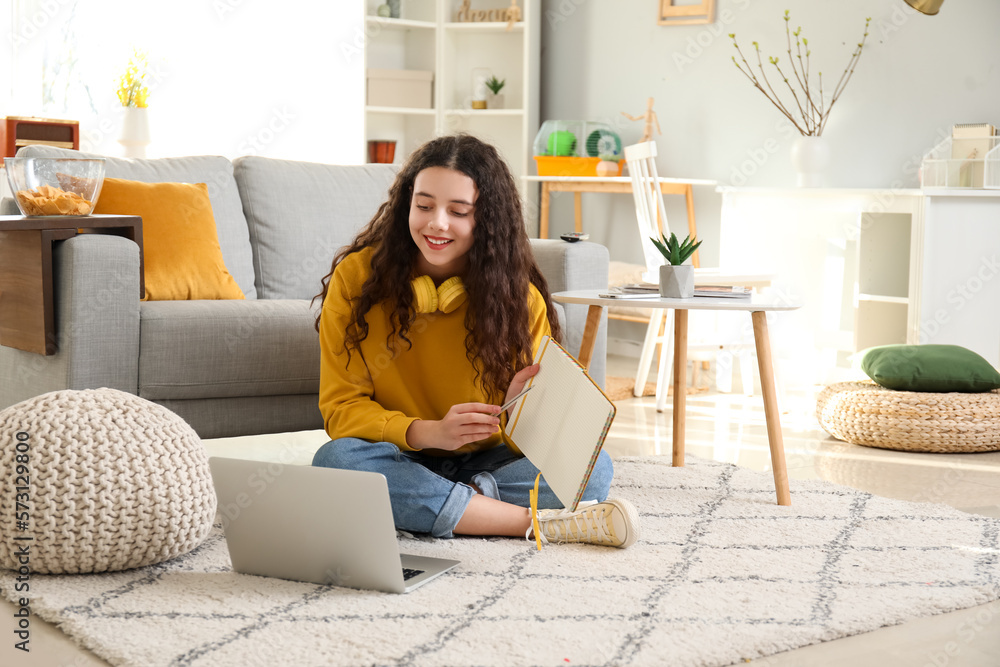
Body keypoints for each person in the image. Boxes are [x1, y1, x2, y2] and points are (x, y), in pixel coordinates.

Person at [311, 134, 639, 548]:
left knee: (595, 468)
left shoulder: (520, 299)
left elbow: (533, 440)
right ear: (405, 205)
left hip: (487, 463)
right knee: (336, 462)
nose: (436, 223)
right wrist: (428, 432)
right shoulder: (357, 279)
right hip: (400, 454)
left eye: (458, 211)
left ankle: (449, 507)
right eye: (424, 205)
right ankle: (529, 521)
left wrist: (519, 413)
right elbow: (341, 410)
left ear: (485, 219)